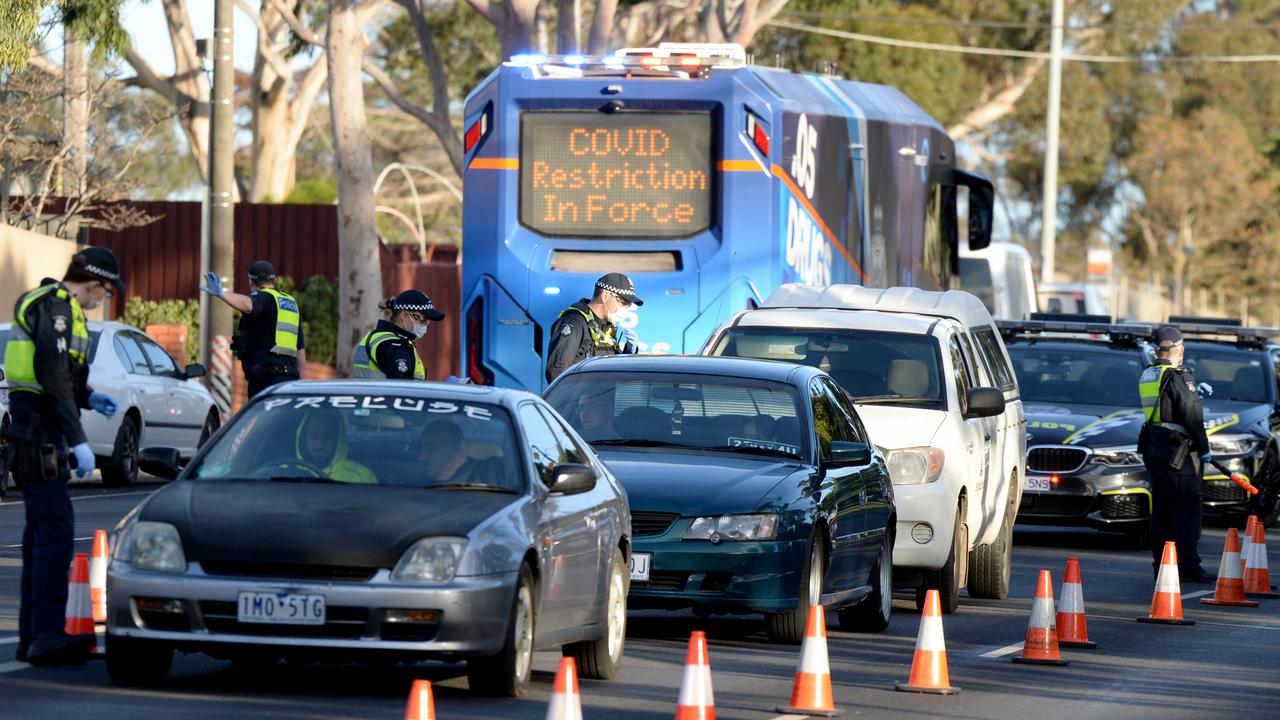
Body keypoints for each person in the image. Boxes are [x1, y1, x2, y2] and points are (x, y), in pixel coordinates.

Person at [5, 247, 124, 665]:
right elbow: (52, 375)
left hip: (37, 425)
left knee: (40, 535)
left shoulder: (58, 308)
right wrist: (78, 439)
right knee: (55, 532)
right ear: (94, 282)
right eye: (106, 292)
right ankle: (47, 636)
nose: (102, 300)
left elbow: (62, 377)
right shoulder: (56, 307)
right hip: (40, 428)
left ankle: (33, 637)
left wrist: (90, 398)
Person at [1138, 325, 1215, 583]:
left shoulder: (1149, 374)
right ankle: (1188, 566)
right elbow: (1191, 415)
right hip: (1174, 449)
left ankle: (1162, 565)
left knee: (1162, 509)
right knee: (1186, 506)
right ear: (1180, 348)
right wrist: (1204, 448)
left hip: (1154, 445)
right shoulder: (1178, 376)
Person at [200, 260, 306, 398]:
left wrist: (223, 294)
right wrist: (300, 382)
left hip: (266, 381)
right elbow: (301, 352)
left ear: (250, 281)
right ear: (273, 280)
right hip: (289, 381)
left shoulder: (263, 297)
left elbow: (248, 305)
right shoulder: (290, 303)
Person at [545, 273, 643, 383]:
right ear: (605, 296)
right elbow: (557, 373)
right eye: (623, 302)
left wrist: (629, 353)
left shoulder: (606, 327)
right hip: (578, 399)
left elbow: (613, 372)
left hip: (602, 399)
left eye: (629, 304)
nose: (626, 308)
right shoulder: (575, 322)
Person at [352, 289, 444, 380]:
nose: (424, 326)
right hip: (383, 394)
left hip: (364, 394)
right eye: (422, 319)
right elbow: (403, 390)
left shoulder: (373, 337)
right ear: (404, 315)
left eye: (427, 322)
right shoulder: (396, 347)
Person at [293, 410, 376, 484]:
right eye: (314, 437)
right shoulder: (285, 471)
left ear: (338, 439)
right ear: (303, 439)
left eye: (327, 437)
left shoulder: (362, 476)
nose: (320, 444)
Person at [419, 420, 509, 488]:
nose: (421, 457)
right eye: (421, 447)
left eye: (431, 449)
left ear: (455, 450)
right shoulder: (414, 484)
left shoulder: (489, 474)